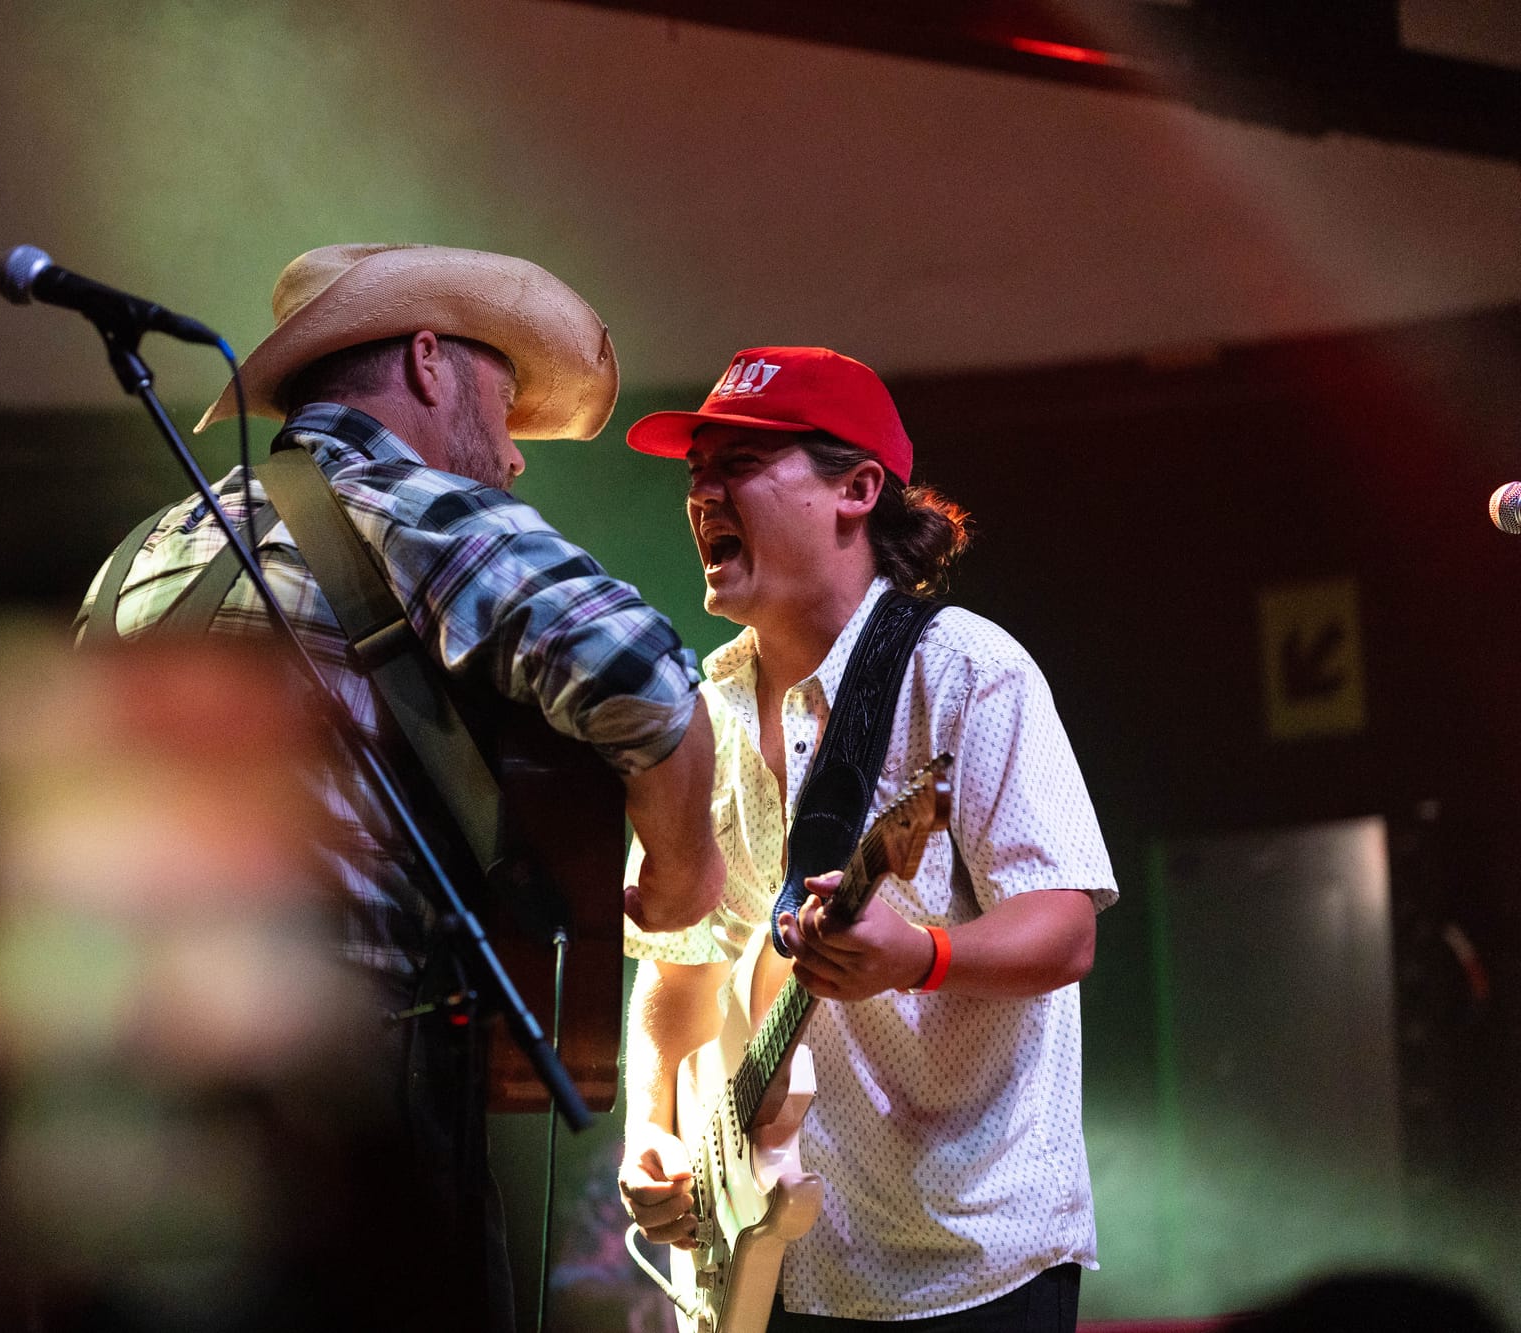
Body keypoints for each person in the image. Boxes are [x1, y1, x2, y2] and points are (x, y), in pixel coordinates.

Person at [74, 243, 725, 1328]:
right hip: (341, 1102)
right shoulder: (403, 503)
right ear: (428, 362)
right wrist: (681, 875)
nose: (512, 457)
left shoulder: (141, 552)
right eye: (504, 406)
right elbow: (644, 680)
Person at [617, 347, 1118, 1332]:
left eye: (739, 464)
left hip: (963, 1262)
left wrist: (920, 955)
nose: (703, 494)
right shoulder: (698, 714)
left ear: (856, 489)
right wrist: (649, 1130)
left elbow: (1064, 929)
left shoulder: (966, 671)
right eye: (697, 471)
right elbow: (676, 968)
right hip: (767, 1267)